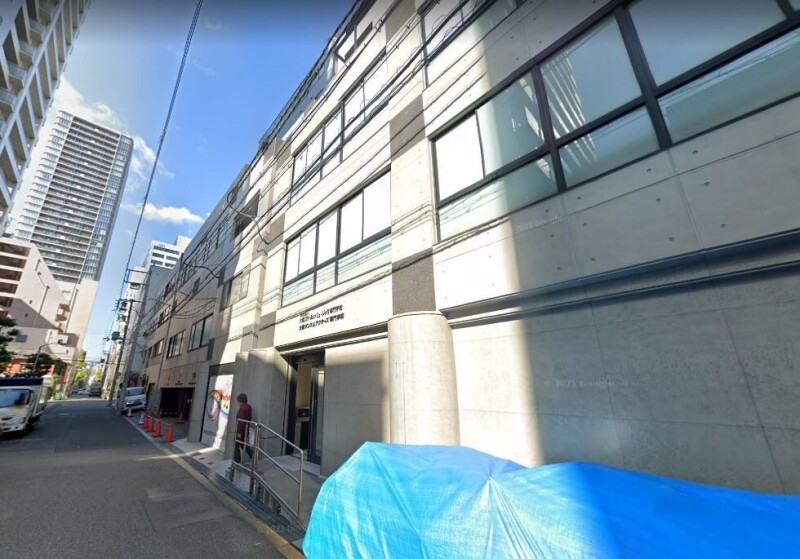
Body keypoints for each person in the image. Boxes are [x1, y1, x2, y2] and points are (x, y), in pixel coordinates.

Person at [233, 393, 253, 464]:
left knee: (236, 446)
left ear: (240, 400)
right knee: (243, 445)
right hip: (246, 429)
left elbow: (241, 421)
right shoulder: (249, 407)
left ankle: (236, 462)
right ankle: (252, 455)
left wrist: (239, 432)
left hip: (241, 431)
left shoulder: (242, 408)